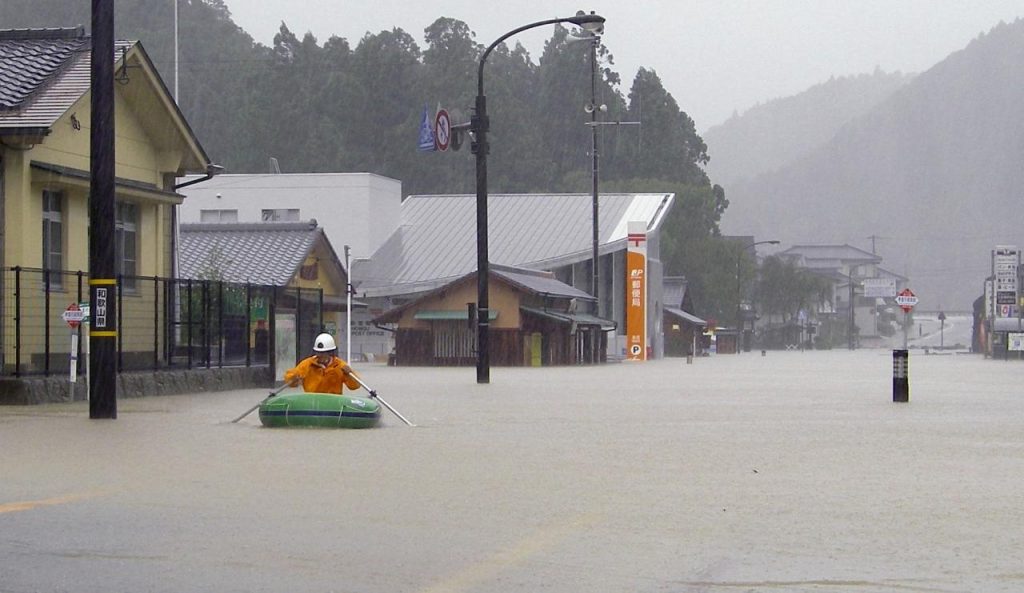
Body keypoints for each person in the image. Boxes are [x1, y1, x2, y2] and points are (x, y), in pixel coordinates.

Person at [284, 333, 361, 395]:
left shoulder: (340, 365)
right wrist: (293, 377)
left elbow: (355, 386)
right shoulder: (307, 364)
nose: (321, 355)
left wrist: (349, 374)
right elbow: (290, 382)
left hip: (333, 404)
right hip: (312, 403)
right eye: (318, 352)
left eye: (324, 353)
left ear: (330, 352)